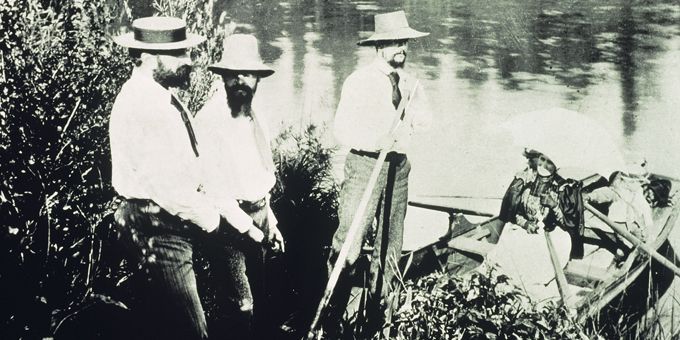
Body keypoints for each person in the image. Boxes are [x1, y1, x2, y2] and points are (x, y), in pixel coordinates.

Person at [109, 17, 264, 340]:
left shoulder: (164, 98)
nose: (190, 62)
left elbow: (199, 168)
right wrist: (215, 224)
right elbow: (169, 188)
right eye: (180, 54)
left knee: (167, 323)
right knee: (189, 330)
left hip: (167, 219)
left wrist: (241, 223)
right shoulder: (143, 106)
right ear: (149, 58)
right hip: (155, 226)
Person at [328, 10, 431, 334]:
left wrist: (414, 116)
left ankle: (378, 318)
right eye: (394, 42)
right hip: (365, 166)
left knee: (390, 247)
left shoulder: (411, 83)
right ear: (379, 46)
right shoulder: (359, 82)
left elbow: (427, 121)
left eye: (404, 42)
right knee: (350, 243)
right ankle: (332, 315)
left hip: (398, 169)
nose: (401, 48)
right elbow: (341, 131)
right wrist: (375, 140)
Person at [193, 33, 284, 339]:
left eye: (248, 74)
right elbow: (212, 189)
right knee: (240, 305)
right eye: (233, 75)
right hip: (228, 226)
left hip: (258, 218)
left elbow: (261, 176)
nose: (240, 81)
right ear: (223, 77)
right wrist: (251, 230)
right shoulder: (209, 120)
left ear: (258, 78)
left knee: (263, 301)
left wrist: (270, 222)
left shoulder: (256, 118)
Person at [489, 149, 583, 302]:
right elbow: (516, 214)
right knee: (508, 244)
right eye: (542, 159)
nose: (544, 165)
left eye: (549, 162)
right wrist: (526, 224)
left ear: (557, 166)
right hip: (528, 231)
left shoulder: (563, 188)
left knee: (535, 266)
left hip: (552, 235)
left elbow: (568, 224)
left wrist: (554, 206)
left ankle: (529, 289)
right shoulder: (528, 181)